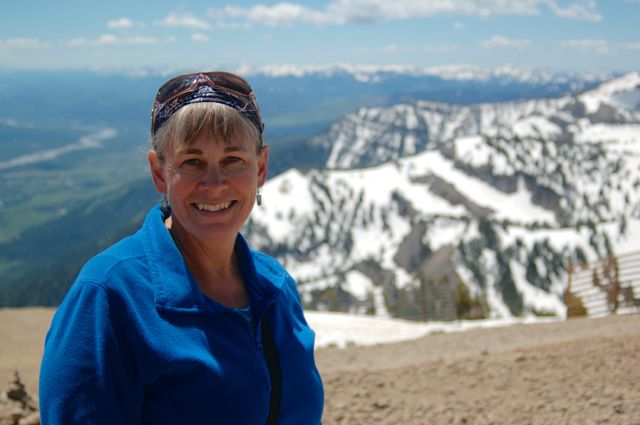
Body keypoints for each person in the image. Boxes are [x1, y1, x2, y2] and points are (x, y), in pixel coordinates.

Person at [39, 71, 324, 424]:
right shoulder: (109, 296)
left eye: (233, 160)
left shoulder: (276, 286)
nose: (215, 184)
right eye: (192, 163)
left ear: (261, 167)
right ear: (159, 172)